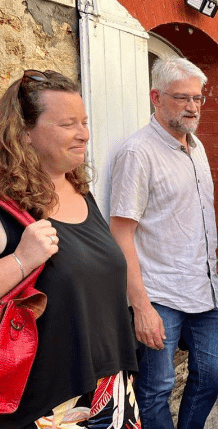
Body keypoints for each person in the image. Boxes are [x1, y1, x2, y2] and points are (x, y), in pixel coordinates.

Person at [0, 70, 139, 428]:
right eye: (67, 124)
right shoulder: (7, 208)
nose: (84, 134)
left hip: (110, 387)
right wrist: (20, 260)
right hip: (50, 404)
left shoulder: (82, 192)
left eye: (84, 122)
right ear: (24, 133)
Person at [110, 57, 218, 429]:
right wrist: (141, 307)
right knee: (156, 388)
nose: (193, 106)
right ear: (155, 97)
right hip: (160, 295)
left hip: (206, 292)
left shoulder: (198, 148)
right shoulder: (137, 154)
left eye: (198, 98)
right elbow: (121, 234)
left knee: (211, 376)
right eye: (182, 98)